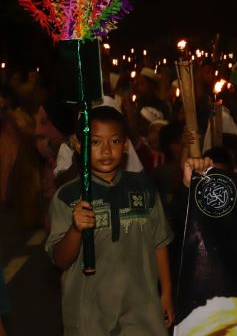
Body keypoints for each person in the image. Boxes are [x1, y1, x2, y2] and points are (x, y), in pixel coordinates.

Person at [45, 106, 174, 335]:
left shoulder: (143, 187)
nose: (106, 150)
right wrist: (75, 229)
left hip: (141, 311)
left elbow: (159, 242)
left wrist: (166, 292)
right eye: (95, 142)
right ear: (78, 145)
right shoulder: (68, 197)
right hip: (89, 315)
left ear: (125, 145)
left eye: (114, 141)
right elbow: (60, 260)